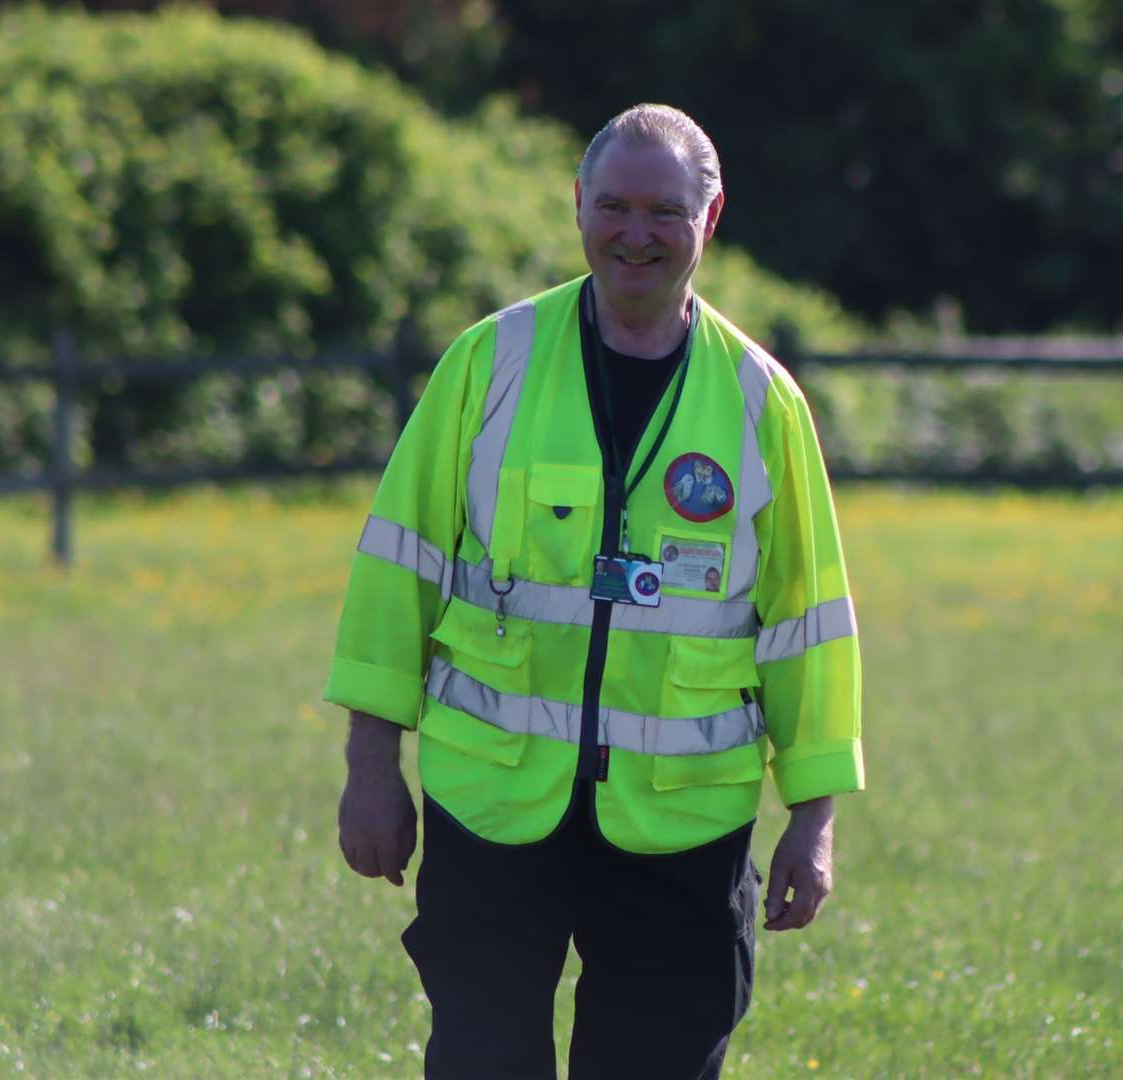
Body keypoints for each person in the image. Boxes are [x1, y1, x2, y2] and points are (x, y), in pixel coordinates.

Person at [325, 103, 863, 1080]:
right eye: (613, 206)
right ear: (578, 207)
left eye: (664, 212)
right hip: (492, 807)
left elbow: (808, 623)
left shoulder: (760, 400)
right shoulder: (488, 365)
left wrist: (814, 819)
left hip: (682, 823)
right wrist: (371, 767)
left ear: (711, 218)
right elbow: (395, 573)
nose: (635, 234)